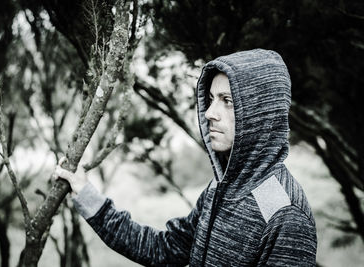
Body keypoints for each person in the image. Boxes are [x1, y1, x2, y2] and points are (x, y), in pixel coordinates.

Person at [54, 49, 317, 266]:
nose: (210, 113)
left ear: (260, 113)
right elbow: (164, 249)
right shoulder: (221, 188)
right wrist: (87, 196)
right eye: (212, 99)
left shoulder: (285, 214)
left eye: (228, 101)